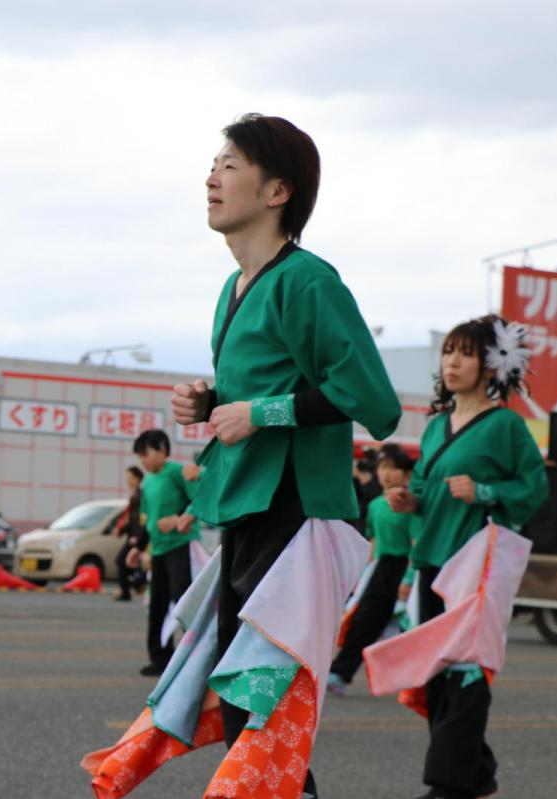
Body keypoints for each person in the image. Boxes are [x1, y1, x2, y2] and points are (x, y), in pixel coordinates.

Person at [172, 113, 401, 796]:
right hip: (247, 506)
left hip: (296, 513)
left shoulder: (307, 280)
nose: (212, 175)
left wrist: (260, 413)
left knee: (265, 701)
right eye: (214, 161)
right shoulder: (234, 287)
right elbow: (271, 388)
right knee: (250, 704)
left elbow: (375, 401)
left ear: (278, 191)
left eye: (231, 163)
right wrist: (212, 398)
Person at [386, 315, 548, 799]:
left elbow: (533, 488)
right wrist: (409, 500)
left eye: (466, 353)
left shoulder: (506, 426)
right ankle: (476, 771)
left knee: (465, 669)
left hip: (475, 564)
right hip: (431, 559)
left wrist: (484, 491)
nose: (452, 362)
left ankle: (450, 784)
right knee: (436, 670)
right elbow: (424, 488)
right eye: (448, 352)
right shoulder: (436, 427)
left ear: (492, 363)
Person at [328, 444, 418, 694]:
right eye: (382, 468)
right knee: (364, 621)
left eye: (393, 468)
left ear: (405, 473)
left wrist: (409, 579)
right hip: (380, 568)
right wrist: (361, 574)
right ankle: (339, 673)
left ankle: (413, 680)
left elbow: (415, 542)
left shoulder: (410, 504)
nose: (386, 474)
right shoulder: (377, 504)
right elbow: (374, 540)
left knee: (407, 626)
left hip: (406, 567)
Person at [129, 430, 198, 676]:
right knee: (156, 605)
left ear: (161, 449)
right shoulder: (147, 482)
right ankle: (160, 659)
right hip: (158, 550)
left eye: (145, 454)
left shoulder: (178, 472)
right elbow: (147, 520)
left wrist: (179, 519)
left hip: (181, 546)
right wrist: (137, 547)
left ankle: (198, 657)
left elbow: (198, 501)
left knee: (186, 603)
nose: (143, 461)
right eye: (140, 457)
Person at [112, 465, 145, 601]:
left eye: (130, 478)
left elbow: (140, 518)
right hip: (132, 535)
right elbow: (131, 518)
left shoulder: (141, 495)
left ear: (137, 478)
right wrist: (122, 529)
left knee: (122, 560)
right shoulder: (135, 494)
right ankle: (131, 587)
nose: (128, 481)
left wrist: (137, 536)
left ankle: (132, 587)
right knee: (126, 562)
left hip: (136, 536)